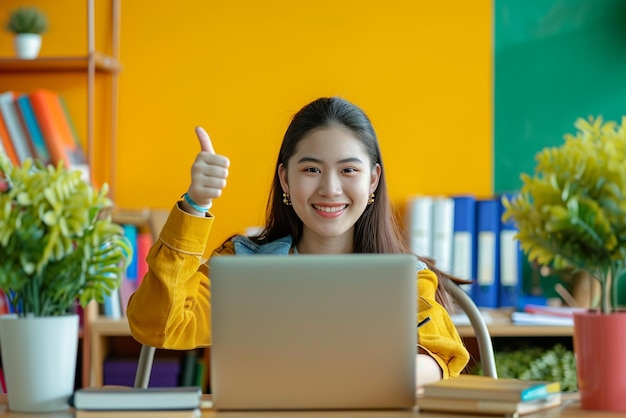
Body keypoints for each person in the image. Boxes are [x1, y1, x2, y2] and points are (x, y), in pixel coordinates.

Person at [127, 97, 470, 387]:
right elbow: (158, 324)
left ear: (373, 180)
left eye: (349, 170)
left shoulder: (406, 278)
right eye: (311, 170)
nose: (330, 189)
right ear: (285, 179)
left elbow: (439, 357)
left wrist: (352, 381)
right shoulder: (244, 268)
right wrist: (195, 204)